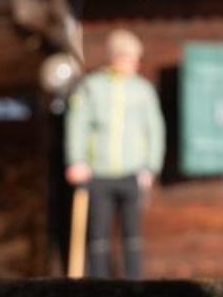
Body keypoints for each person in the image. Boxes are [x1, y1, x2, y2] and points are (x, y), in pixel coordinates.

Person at [64, 29, 165, 279]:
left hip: (132, 173)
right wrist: (76, 161)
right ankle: (98, 283)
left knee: (132, 234)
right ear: (117, 57)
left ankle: (134, 284)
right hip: (98, 173)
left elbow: (154, 129)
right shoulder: (91, 87)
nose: (135, 63)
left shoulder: (143, 90)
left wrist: (150, 166)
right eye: (131, 58)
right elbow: (78, 124)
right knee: (98, 234)